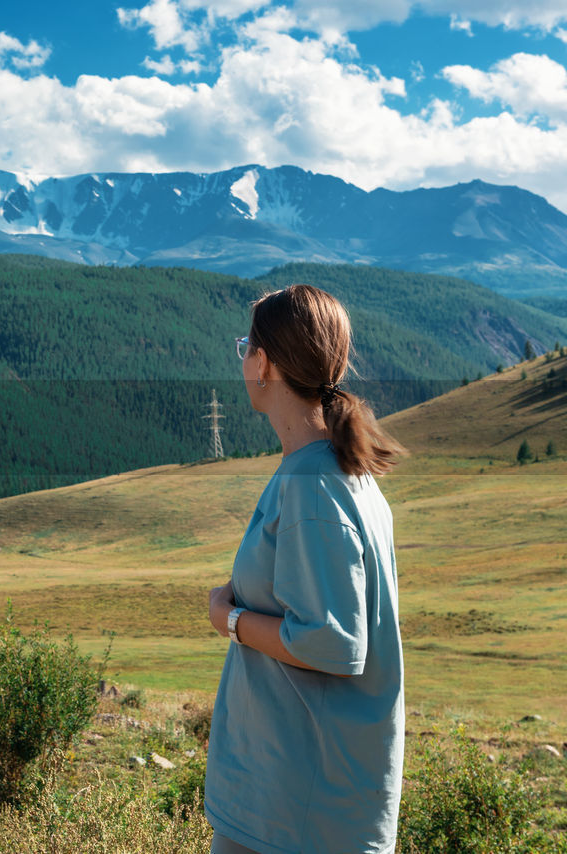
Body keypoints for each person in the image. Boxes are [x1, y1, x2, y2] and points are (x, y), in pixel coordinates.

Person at [204, 284, 406, 854]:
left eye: (246, 347)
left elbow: (331, 643)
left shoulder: (314, 485)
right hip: (301, 802)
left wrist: (232, 618)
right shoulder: (334, 471)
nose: (243, 359)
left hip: (296, 812)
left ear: (263, 363)